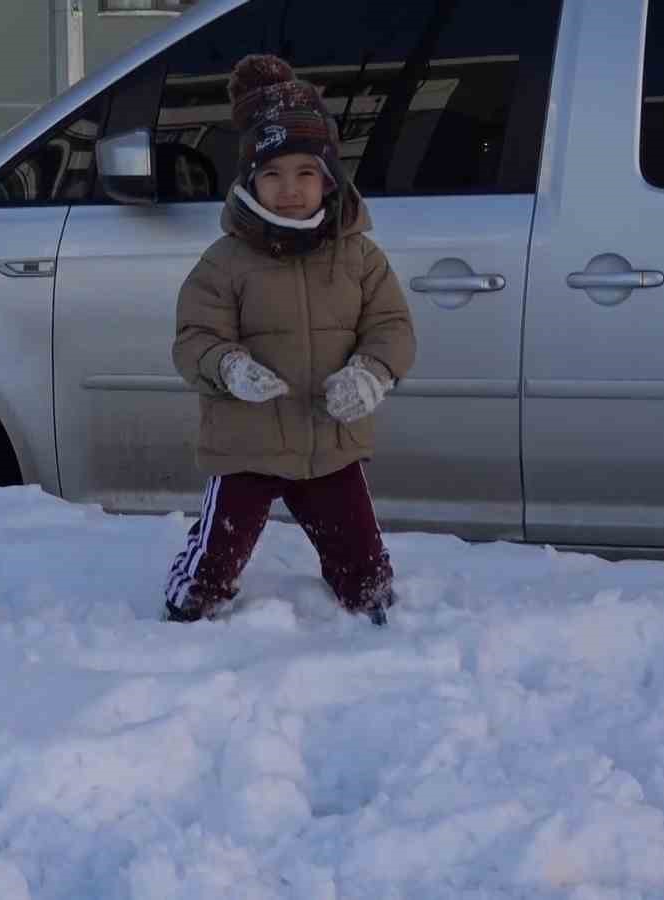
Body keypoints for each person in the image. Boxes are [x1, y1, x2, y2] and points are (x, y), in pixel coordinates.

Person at [166, 53, 417, 625]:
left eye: (305, 173)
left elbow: (392, 327)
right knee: (211, 568)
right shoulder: (225, 261)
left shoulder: (358, 255)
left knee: (368, 578)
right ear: (250, 179)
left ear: (328, 179)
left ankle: (380, 621)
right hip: (246, 444)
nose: (289, 189)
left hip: (330, 443)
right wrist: (228, 366)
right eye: (273, 174)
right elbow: (193, 338)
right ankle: (186, 614)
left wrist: (372, 372)